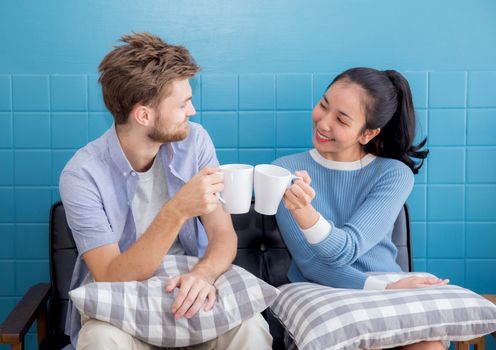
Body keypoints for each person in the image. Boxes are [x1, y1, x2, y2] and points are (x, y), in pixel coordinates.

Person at [59, 32, 272, 350]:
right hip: (122, 302)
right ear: (144, 115)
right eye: (184, 103)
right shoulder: (81, 175)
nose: (192, 111)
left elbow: (223, 235)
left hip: (188, 288)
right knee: (99, 340)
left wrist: (203, 274)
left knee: (251, 329)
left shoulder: (195, 141)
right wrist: (177, 210)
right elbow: (110, 275)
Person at [274, 67, 448, 350]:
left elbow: (349, 247)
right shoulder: (284, 171)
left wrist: (387, 289)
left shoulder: (393, 174)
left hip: (384, 290)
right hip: (323, 292)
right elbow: (313, 263)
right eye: (323, 105)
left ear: (368, 133)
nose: (323, 123)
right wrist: (386, 288)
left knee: (429, 346)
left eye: (341, 119)